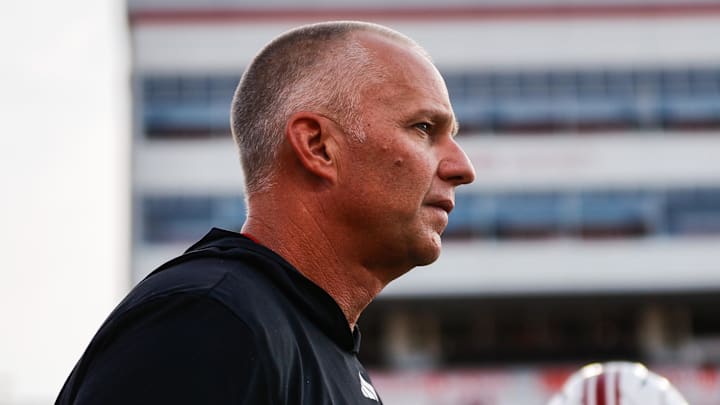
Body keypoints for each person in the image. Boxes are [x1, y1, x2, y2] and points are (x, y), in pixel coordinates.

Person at [56, 20, 475, 404]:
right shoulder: (210, 320)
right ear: (317, 147)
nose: (463, 168)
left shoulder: (312, 344)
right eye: (424, 128)